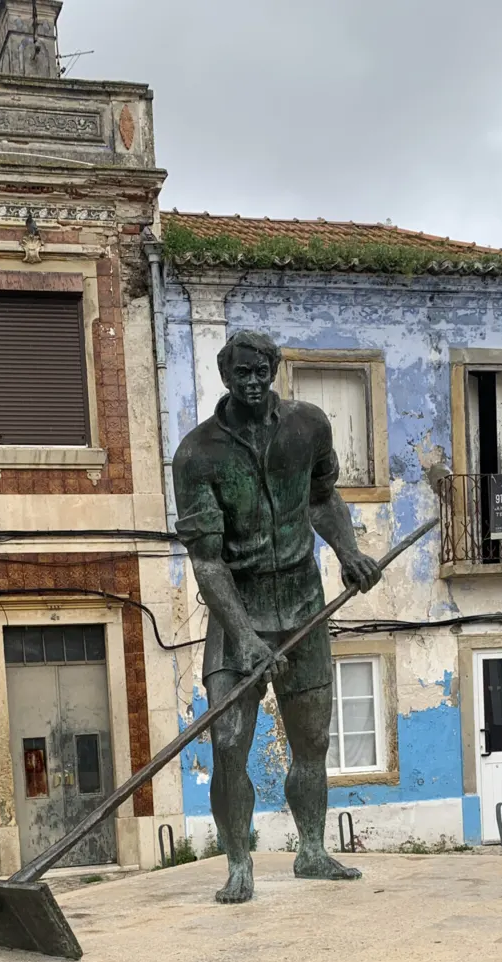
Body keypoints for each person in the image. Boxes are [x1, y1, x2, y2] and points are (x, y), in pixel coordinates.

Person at [173, 330, 382, 905]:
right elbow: (207, 560)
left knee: (312, 740)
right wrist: (243, 637)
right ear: (225, 376)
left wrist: (349, 553)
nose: (252, 381)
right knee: (229, 743)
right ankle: (238, 862)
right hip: (236, 612)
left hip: (302, 603)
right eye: (241, 372)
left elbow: (322, 497)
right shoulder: (196, 454)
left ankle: (311, 849)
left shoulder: (308, 425)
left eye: (261, 371)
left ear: (274, 370)